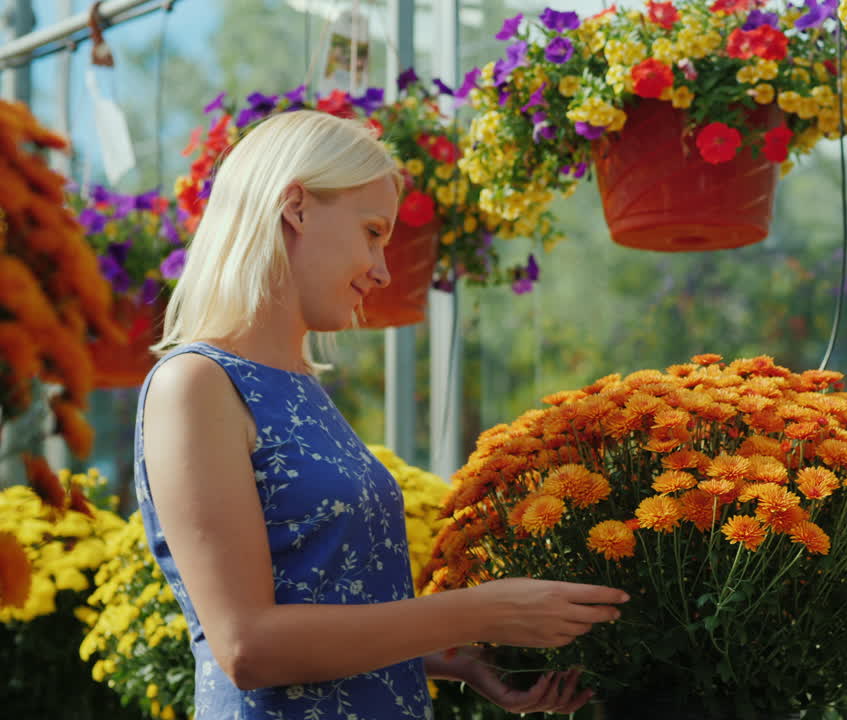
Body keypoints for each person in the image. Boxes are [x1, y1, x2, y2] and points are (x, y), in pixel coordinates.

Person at [136, 110, 628, 719]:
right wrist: (486, 609)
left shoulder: (299, 386)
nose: (383, 270)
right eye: (372, 232)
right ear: (296, 207)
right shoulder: (196, 385)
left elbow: (318, 599)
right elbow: (247, 646)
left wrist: (449, 657)